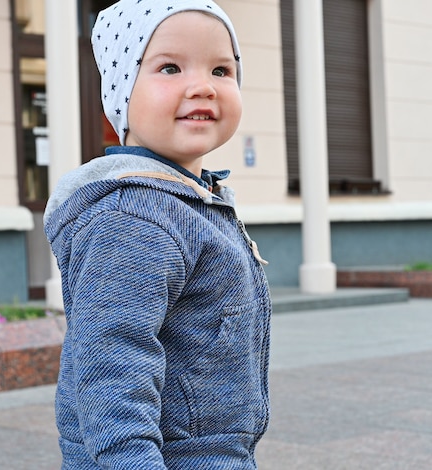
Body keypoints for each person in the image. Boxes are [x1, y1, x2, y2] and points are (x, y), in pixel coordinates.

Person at [43, 1, 272, 468]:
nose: (203, 86)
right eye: (170, 67)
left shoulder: (189, 199)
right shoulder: (133, 219)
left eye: (222, 70)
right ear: (122, 92)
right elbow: (111, 369)